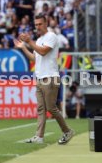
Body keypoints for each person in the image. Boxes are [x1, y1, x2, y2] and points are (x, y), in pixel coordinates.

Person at [14, 14, 74, 145]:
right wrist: (23, 47)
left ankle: (67, 131)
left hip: (50, 77)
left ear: (46, 23)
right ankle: (39, 137)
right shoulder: (39, 39)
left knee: (51, 108)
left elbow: (43, 52)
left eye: (40, 24)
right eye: (36, 25)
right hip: (40, 78)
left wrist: (29, 42)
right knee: (41, 109)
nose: (38, 27)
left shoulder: (51, 36)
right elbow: (35, 58)